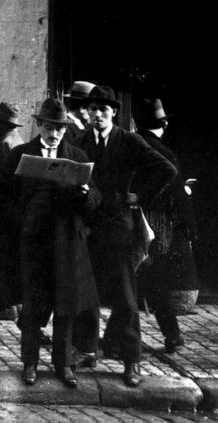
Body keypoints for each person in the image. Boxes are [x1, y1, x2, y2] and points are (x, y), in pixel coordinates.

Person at [73, 85, 178, 387]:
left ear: (114, 113)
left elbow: (166, 169)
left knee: (125, 295)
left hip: (119, 227)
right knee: (86, 290)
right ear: (88, 112)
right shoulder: (80, 142)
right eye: (93, 109)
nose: (98, 114)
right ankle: (87, 350)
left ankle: (132, 360)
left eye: (104, 109)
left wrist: (138, 196)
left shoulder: (128, 140)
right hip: (89, 226)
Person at [0, 97, 99, 388]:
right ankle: (30, 363)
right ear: (39, 125)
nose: (54, 133)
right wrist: (21, 221)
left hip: (66, 244)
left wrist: (85, 195)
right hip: (34, 244)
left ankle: (63, 365)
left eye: (59, 128)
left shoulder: (76, 156)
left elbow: (95, 199)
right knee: (32, 306)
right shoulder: (20, 155)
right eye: (49, 127)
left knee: (65, 305)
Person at [132, 98, 198, 354]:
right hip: (157, 224)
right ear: (164, 124)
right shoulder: (165, 152)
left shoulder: (131, 144)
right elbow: (178, 192)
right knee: (154, 279)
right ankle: (172, 335)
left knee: (134, 278)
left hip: (132, 217)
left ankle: (165, 334)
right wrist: (190, 224)